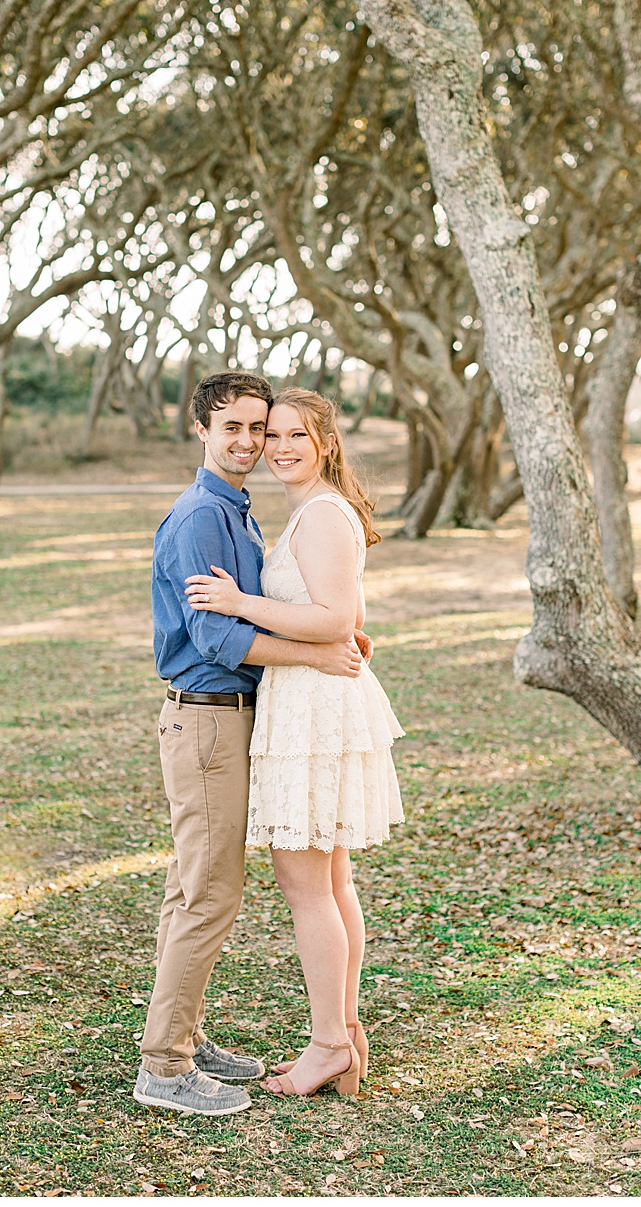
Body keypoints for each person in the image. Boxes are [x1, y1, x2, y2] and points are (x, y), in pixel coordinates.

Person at [133, 371, 373, 1118]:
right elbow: (215, 631)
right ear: (200, 429)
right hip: (207, 719)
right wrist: (316, 650)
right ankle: (165, 1066)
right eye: (235, 428)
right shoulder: (203, 515)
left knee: (199, 889)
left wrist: (331, 634)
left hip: (237, 716)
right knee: (209, 894)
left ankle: (184, 1035)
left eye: (260, 428)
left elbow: (310, 608)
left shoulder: (240, 511)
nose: (251, 442)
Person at [183, 387, 404, 1099]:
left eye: (294, 436)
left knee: (310, 886)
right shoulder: (315, 513)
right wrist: (324, 631)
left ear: (325, 444)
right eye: (269, 434)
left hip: (313, 711)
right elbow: (346, 615)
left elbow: (338, 615)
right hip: (310, 700)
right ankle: (345, 1032)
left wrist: (244, 604)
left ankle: (328, 1044)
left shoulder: (323, 514)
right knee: (330, 884)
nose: (277, 447)